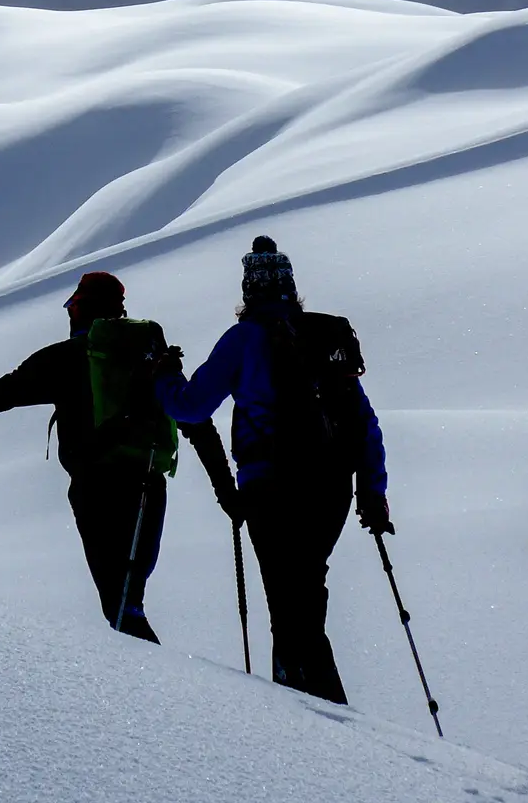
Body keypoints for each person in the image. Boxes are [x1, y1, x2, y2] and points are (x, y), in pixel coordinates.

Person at [0, 271, 223, 644]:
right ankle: (156, 689)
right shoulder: (148, 358)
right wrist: (227, 489)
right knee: (129, 600)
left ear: (80, 309)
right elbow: (193, 418)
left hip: (95, 487)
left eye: (73, 305)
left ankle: (161, 693)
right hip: (148, 481)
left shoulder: (61, 359)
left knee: (119, 606)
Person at [154, 236, 389, 704]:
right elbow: (364, 421)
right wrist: (373, 490)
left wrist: (163, 376)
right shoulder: (324, 336)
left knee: (288, 608)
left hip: (271, 488)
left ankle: (317, 717)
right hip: (332, 489)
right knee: (305, 595)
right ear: (291, 288)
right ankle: (318, 711)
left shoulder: (243, 339)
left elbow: (193, 407)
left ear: (249, 291)